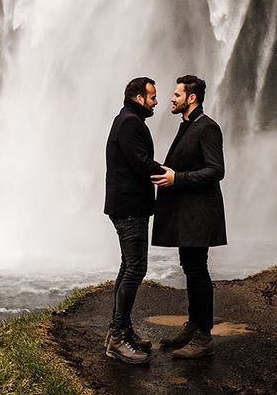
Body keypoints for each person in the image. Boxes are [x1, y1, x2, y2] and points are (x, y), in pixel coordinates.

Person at [151, 74, 226, 359]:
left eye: (177, 95)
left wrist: (177, 178)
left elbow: (216, 170)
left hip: (200, 214)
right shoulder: (188, 125)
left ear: (191, 98)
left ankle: (203, 335)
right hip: (188, 214)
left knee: (197, 270)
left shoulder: (207, 128)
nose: (172, 98)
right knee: (190, 267)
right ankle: (193, 326)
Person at [104, 76, 164, 365]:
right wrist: (169, 174)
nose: (156, 102)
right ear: (139, 97)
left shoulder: (127, 119)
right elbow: (140, 163)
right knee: (136, 268)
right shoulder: (130, 122)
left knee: (128, 266)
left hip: (127, 206)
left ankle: (121, 329)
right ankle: (117, 338)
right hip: (130, 208)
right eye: (152, 96)